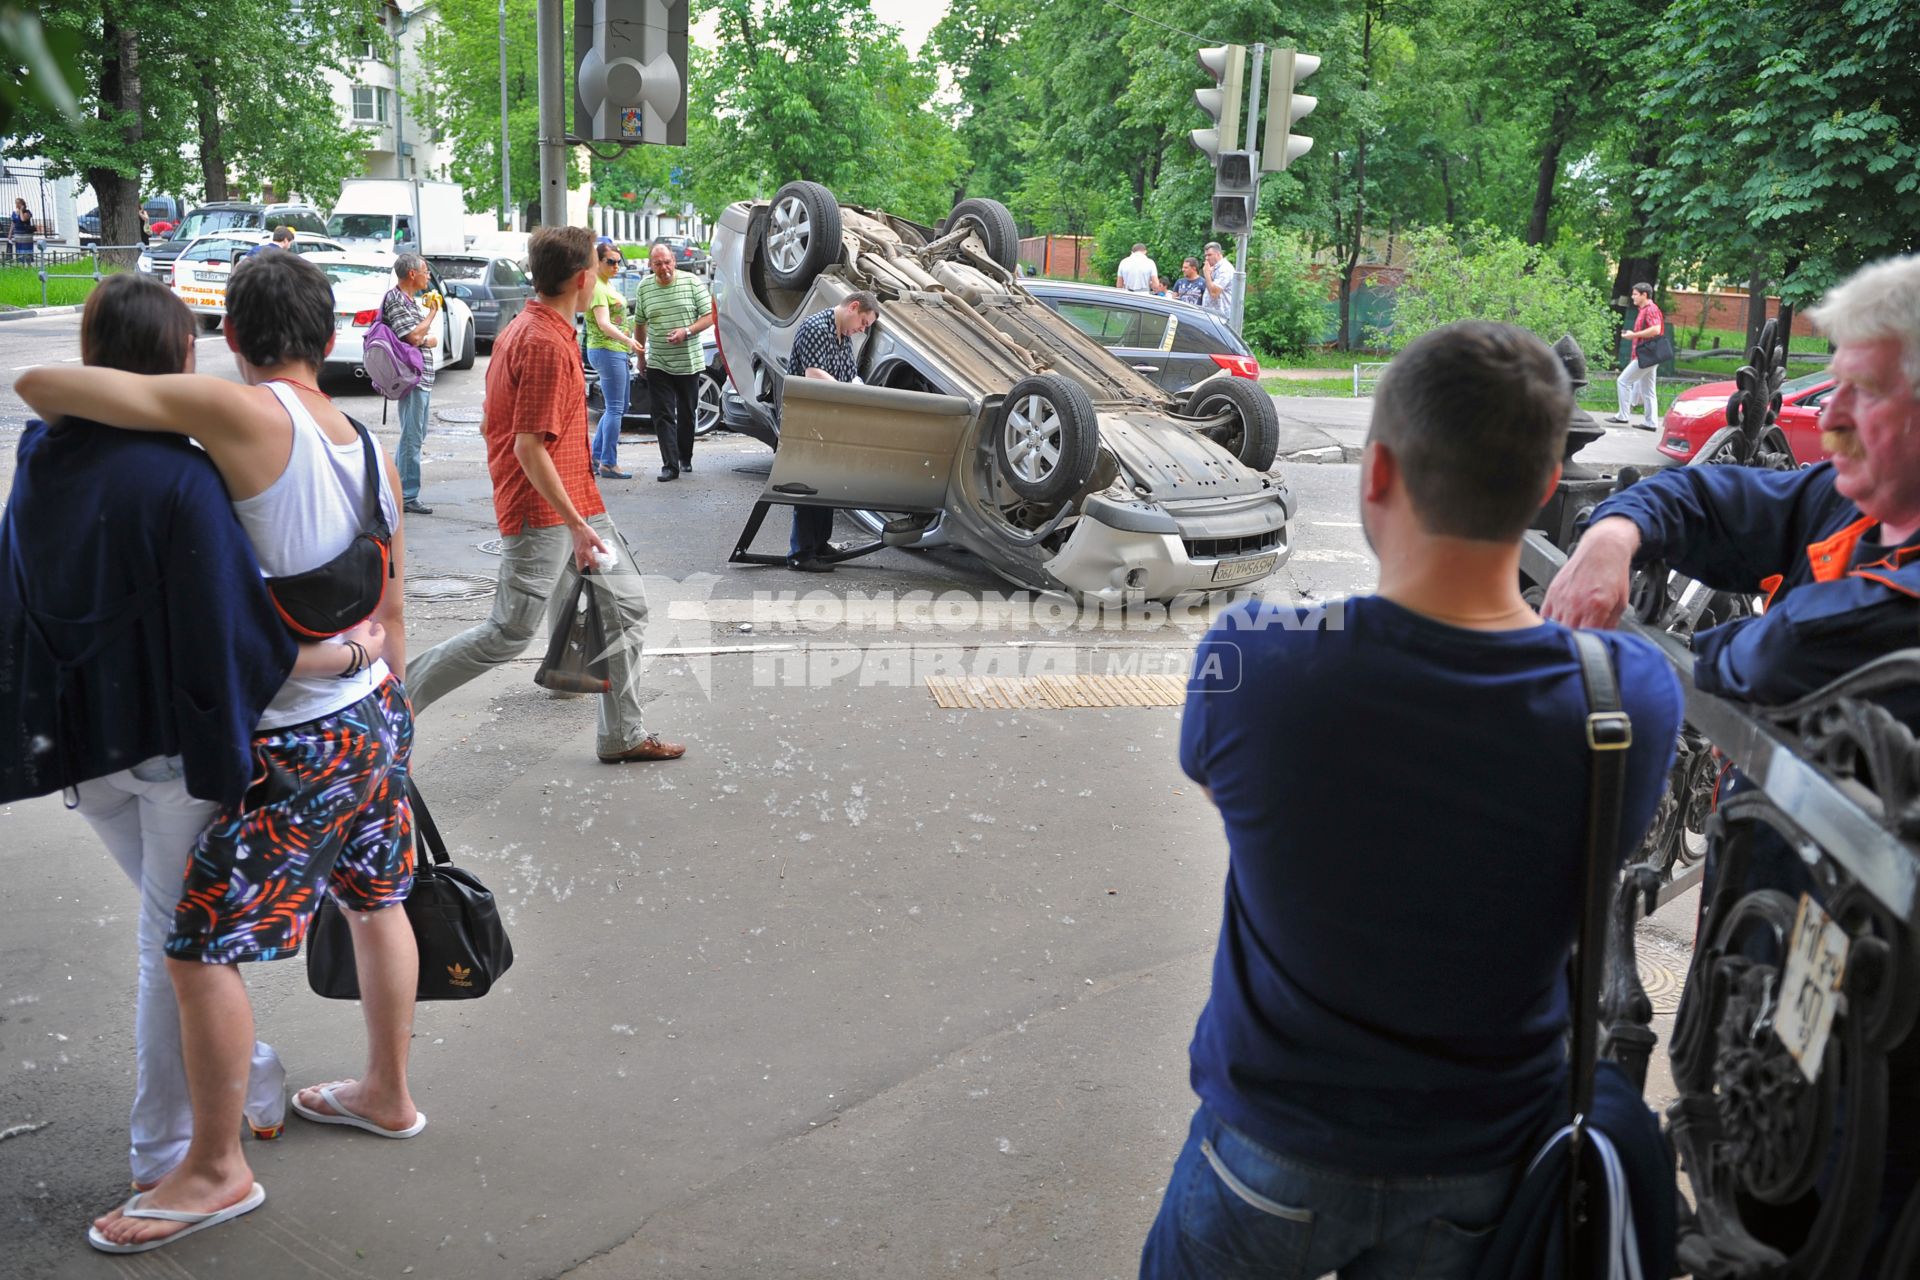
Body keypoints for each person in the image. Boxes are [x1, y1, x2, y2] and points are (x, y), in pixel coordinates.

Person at [1139, 320, 1682, 1278]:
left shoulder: (1255, 661)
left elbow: (1212, 770)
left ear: (1377, 473)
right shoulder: (1627, 697)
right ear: (1548, 484)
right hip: (1481, 1168)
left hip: (1270, 1149)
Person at [17, 251, 424, 1254]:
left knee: (194, 946)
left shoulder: (247, 415)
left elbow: (39, 385)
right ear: (330, 340)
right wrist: (383, 685)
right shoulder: (362, 442)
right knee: (377, 901)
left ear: (232, 341)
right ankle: (386, 1091)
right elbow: (392, 591)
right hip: (374, 710)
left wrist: (156, 384)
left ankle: (211, 1166)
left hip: (296, 736)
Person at [1543, 255, 1920, 1263]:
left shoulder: (1883, 599)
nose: (1830, 417)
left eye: (1867, 391)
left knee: (1826, 1212)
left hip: (1877, 1026)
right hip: (1775, 965)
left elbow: (1761, 655)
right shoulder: (1854, 508)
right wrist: (1620, 525)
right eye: (1829, 381)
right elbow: (1720, 495)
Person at [405, 225, 686, 764]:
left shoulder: (536, 328)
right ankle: (392, 705)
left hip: (573, 503)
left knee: (624, 607)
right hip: (546, 512)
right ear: (583, 280)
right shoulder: (542, 343)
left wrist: (581, 519)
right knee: (508, 632)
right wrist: (576, 526)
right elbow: (529, 446)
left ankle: (621, 733)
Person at [784, 292, 880, 573]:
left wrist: (857, 387)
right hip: (807, 420)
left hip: (828, 420)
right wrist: (852, 389)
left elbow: (849, 375)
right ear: (853, 307)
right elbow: (814, 375)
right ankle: (801, 553)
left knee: (826, 483)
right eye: (863, 322)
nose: (862, 329)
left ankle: (819, 543)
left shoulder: (843, 335)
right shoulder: (816, 327)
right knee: (809, 484)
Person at [633, 240, 715, 481]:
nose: (663, 268)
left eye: (667, 262)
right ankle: (670, 465)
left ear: (674, 262)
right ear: (650, 265)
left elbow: (711, 316)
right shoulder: (644, 287)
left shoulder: (691, 282)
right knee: (663, 414)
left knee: (687, 412)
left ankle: (685, 456)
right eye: (658, 264)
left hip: (688, 362)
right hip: (658, 361)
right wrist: (641, 357)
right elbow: (640, 324)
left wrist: (686, 332)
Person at [383, 252, 441, 514]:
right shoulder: (397, 300)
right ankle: (406, 495)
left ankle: (397, 488)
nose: (428, 276)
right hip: (411, 377)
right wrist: (432, 315)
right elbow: (414, 336)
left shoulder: (407, 300)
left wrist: (425, 335)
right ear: (411, 274)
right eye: (425, 271)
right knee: (411, 437)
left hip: (420, 376)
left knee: (415, 435)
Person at [586, 242, 642, 479]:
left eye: (619, 261)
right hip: (607, 349)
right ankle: (608, 463)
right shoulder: (598, 288)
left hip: (612, 350)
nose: (616, 266)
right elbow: (604, 324)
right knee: (615, 408)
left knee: (618, 406)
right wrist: (628, 341)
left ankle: (598, 457)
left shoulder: (605, 285)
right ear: (598, 262)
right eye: (610, 261)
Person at [1609, 282, 1665, 429]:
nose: (1632, 297)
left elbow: (1656, 330)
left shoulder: (1651, 309)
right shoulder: (1644, 309)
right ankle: (1651, 422)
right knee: (1648, 389)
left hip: (1646, 354)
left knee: (1623, 381)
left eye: (1635, 294)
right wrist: (1633, 335)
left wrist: (1634, 335)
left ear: (1644, 295)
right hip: (1650, 354)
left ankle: (1623, 415)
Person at [1201, 241, 1234, 318]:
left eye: (1209, 255)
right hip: (1211, 315)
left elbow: (1214, 293)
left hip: (1221, 317)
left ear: (1218, 254)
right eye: (1205, 255)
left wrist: (1207, 274)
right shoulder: (1214, 268)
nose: (1206, 258)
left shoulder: (1225, 269)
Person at [11, 197, 37, 262]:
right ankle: (21, 263)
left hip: (26, 235)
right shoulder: (14, 213)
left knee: (26, 249)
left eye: (18, 203)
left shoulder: (27, 212)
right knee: (19, 250)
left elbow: (23, 219)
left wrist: (21, 211)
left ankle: (28, 264)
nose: (17, 205)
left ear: (22, 204)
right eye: (16, 203)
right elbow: (12, 224)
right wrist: (10, 234)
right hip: (18, 235)